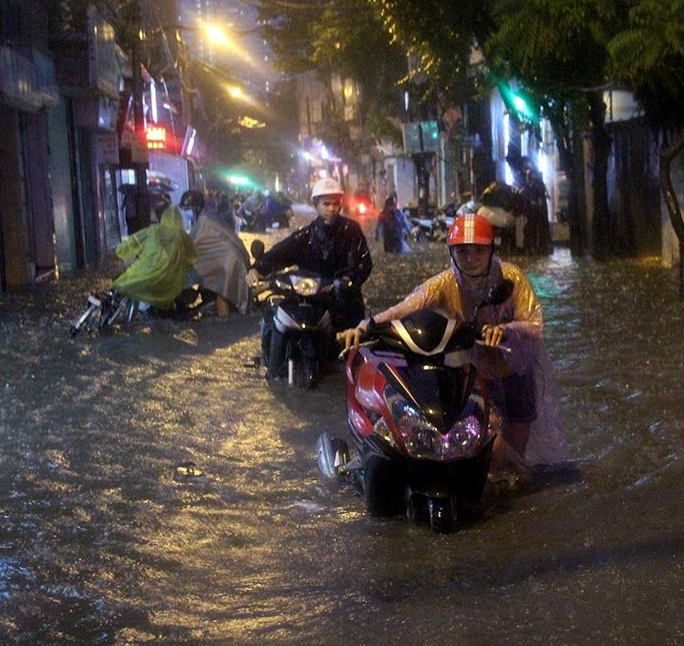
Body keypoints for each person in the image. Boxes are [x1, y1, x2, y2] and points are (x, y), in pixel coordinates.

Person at [338, 213, 566, 470]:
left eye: (478, 251)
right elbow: (401, 311)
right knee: (488, 445)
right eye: (462, 252)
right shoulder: (444, 284)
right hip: (473, 375)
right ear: (452, 253)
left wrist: (504, 330)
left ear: (491, 250)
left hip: (515, 372)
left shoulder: (511, 278)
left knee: (515, 462)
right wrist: (362, 329)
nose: (470, 260)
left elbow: (533, 322)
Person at [245, 176, 373, 378]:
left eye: (335, 203)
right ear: (316, 205)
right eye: (326, 204)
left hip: (342, 297)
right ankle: (271, 360)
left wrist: (348, 282)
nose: (331, 208)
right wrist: (257, 268)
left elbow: (364, 263)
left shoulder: (352, 231)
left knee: (357, 349)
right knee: (271, 313)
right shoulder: (306, 236)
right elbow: (280, 252)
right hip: (312, 298)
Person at [112, 204, 197, 312]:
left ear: (163, 218)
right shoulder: (184, 237)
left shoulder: (153, 231)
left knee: (120, 286)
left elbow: (131, 244)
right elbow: (193, 257)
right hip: (170, 287)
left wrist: (118, 253)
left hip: (145, 278)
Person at [180, 189, 251, 317]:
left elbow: (193, 245)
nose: (186, 213)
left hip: (230, 263)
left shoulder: (205, 221)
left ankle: (224, 324)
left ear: (196, 207)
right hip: (228, 260)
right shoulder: (205, 217)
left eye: (188, 209)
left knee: (222, 292)